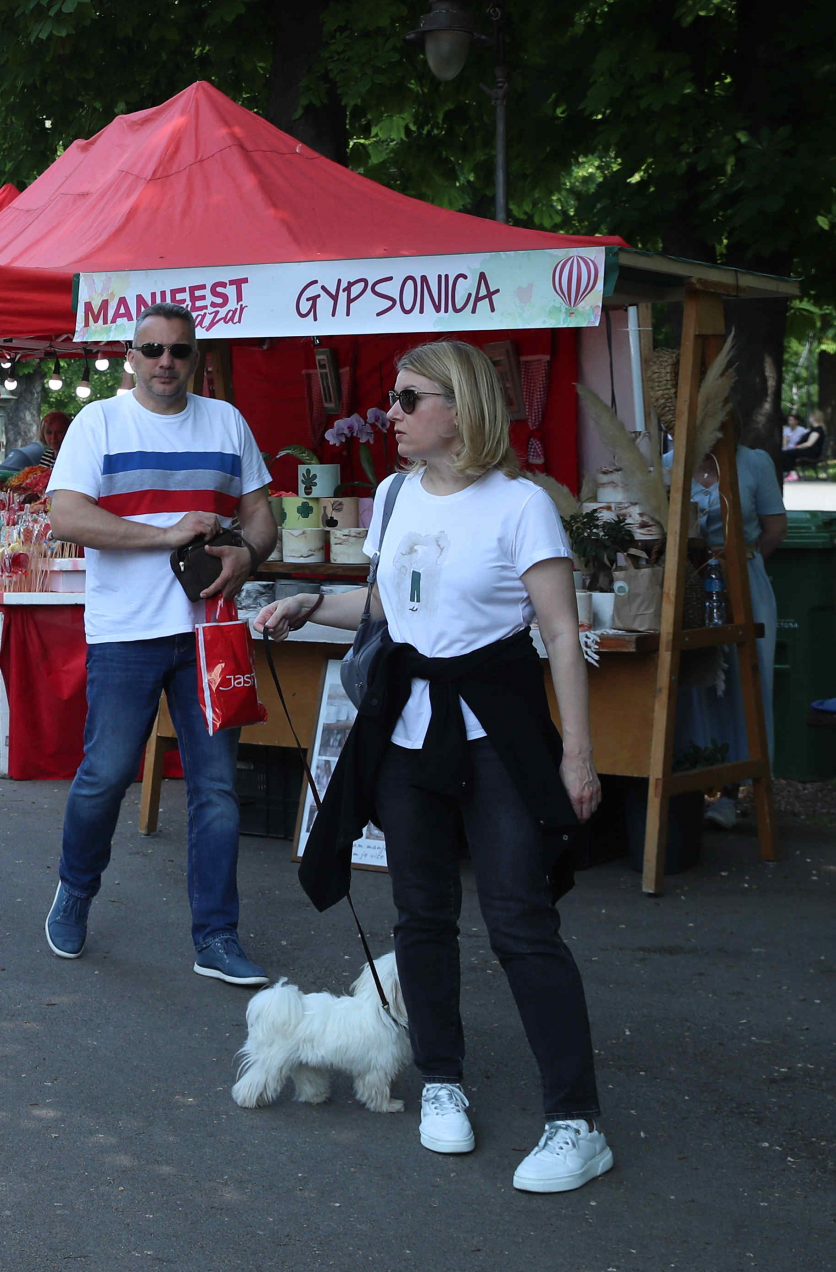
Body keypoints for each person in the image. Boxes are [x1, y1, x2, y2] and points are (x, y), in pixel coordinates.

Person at [258, 338, 611, 1195]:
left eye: (412, 398)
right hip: (406, 734)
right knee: (420, 915)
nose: (394, 412)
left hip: (494, 729)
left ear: (462, 407)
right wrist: (311, 602)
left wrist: (579, 753)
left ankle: (576, 1121)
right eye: (396, 399)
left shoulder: (521, 505)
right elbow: (389, 605)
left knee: (521, 919)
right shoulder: (391, 493)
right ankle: (441, 1082)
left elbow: (562, 633)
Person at [40, 303, 277, 985]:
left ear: (195, 355)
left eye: (178, 349)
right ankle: (76, 888)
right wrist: (167, 534)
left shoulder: (226, 421)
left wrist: (247, 556)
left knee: (217, 791)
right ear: (130, 356)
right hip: (126, 632)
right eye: (152, 349)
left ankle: (217, 936)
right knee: (106, 775)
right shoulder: (101, 421)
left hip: (211, 634)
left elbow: (261, 512)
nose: (165, 361)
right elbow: (66, 515)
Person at [669, 443, 786, 828]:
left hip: (744, 579)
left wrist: (741, 563)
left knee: (745, 682)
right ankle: (695, 785)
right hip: (688, 582)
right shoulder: (668, 464)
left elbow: (775, 528)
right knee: (693, 682)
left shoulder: (753, 462)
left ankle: (733, 794)